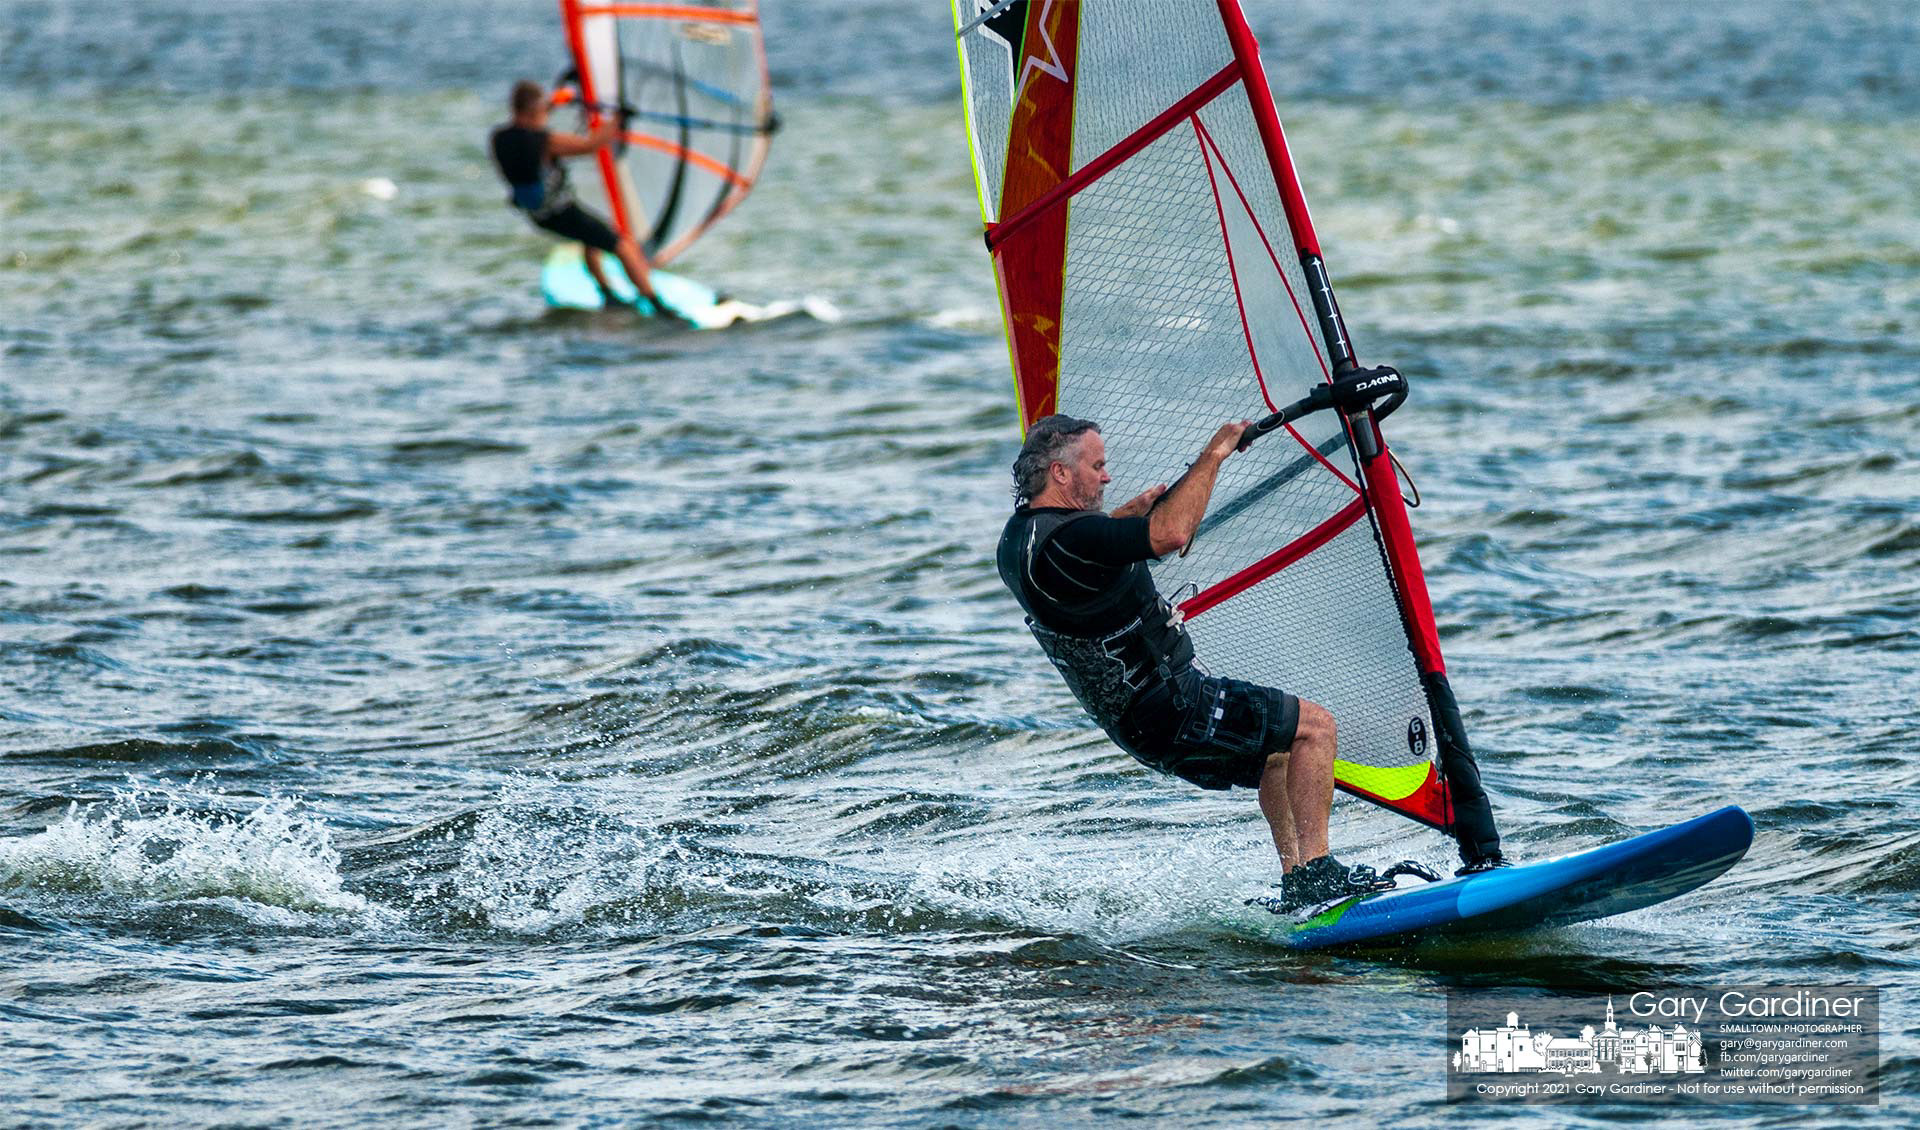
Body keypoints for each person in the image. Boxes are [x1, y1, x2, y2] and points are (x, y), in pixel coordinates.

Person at [996, 415, 1450, 910]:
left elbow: (1086, 550)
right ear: (1060, 474)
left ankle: (1297, 877)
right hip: (1175, 702)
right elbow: (1170, 535)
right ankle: (1318, 872)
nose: (1106, 476)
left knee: (1278, 752)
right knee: (1315, 729)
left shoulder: (1020, 540)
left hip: (1138, 725)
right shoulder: (1074, 540)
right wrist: (1215, 453)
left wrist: (1128, 518)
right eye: (1097, 465)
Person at [489, 78, 679, 319]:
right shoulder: (544, 141)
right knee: (622, 245)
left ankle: (607, 293)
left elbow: (532, 118)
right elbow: (592, 144)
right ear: (535, 110)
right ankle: (656, 303)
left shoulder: (500, 138)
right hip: (560, 211)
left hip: (537, 214)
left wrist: (558, 99)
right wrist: (618, 119)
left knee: (592, 240)